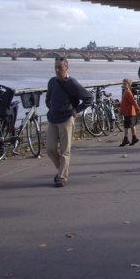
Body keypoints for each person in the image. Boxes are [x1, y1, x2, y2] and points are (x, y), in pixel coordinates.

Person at [45, 58, 93, 187]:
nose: (57, 70)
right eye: (55, 67)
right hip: (52, 119)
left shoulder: (72, 83)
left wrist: (77, 110)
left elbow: (89, 98)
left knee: (65, 150)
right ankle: (63, 169)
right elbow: (48, 98)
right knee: (50, 148)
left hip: (66, 119)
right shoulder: (52, 82)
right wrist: (51, 108)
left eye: (60, 67)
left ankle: (61, 177)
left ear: (67, 68)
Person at [118, 78, 140, 147]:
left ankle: (126, 139)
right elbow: (124, 102)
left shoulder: (128, 93)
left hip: (129, 112)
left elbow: (133, 102)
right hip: (127, 112)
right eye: (123, 84)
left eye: (125, 84)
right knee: (131, 126)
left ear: (129, 85)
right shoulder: (125, 92)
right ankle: (134, 138)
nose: (123, 85)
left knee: (127, 126)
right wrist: (118, 104)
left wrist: (138, 109)